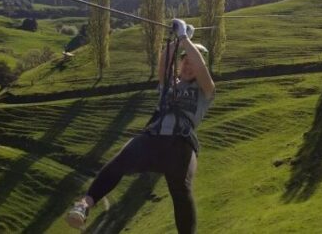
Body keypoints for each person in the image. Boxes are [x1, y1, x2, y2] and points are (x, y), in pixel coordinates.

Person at [65, 18, 215, 234]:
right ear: (180, 63)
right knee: (118, 163)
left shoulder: (205, 91)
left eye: (194, 62)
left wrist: (184, 38)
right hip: (153, 139)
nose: (190, 65)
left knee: (181, 190)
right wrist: (179, 41)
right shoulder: (168, 85)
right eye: (186, 61)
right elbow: (164, 62)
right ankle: (84, 205)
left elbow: (200, 67)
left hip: (180, 144)